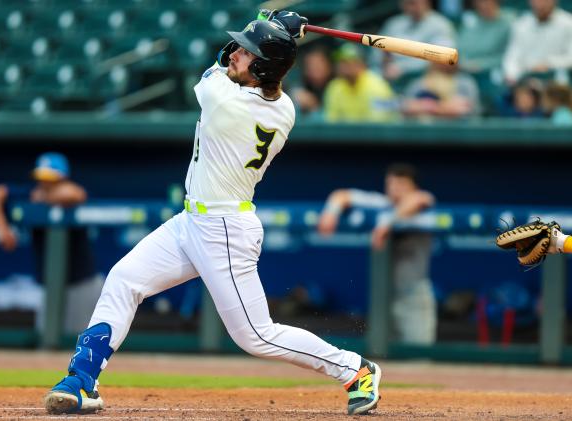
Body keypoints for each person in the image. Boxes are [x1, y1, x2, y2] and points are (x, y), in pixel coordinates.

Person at [44, 10, 381, 417]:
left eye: (248, 51)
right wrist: (273, 37)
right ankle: (82, 379)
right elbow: (247, 69)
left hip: (224, 228)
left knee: (256, 336)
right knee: (125, 279)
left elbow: (215, 67)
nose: (237, 53)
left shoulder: (224, 100)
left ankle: (355, 369)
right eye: (241, 48)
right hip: (192, 221)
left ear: (263, 66)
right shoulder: (285, 107)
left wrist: (268, 25)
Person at [0, 152, 103, 334]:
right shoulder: (31, 194)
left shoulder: (66, 192)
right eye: (42, 178)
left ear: (62, 178)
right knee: (46, 338)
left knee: (82, 343)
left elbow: (75, 194)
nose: (45, 184)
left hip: (81, 284)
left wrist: (44, 198)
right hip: (51, 287)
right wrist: (2, 228)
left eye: (51, 179)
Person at [318, 163, 437, 345]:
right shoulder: (381, 203)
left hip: (413, 295)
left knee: (419, 359)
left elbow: (418, 200)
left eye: (401, 184)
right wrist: (330, 213)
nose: (395, 189)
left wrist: (386, 224)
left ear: (413, 186)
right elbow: (341, 195)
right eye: (391, 184)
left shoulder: (421, 202)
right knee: (382, 354)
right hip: (383, 295)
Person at [370, 0, 456, 87]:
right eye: (406, 3)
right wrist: (384, 67)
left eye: (413, 3)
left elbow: (440, 58)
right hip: (389, 79)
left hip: (425, 81)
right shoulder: (394, 24)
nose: (410, 7)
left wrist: (402, 67)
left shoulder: (441, 25)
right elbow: (376, 54)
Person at [502, 0, 572, 86]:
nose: (540, 4)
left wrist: (549, 64)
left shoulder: (568, 23)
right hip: (527, 79)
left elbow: (570, 58)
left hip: (557, 80)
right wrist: (511, 74)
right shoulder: (521, 24)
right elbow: (512, 57)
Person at [323, 44, 398, 123]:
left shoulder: (376, 86)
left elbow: (377, 125)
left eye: (347, 61)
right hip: (346, 134)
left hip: (381, 134)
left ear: (361, 63)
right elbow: (331, 122)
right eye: (341, 61)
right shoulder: (335, 86)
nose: (342, 65)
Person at [401, 62, 481, 119]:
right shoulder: (418, 83)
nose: (443, 61)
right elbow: (406, 107)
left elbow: (463, 110)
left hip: (458, 133)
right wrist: (445, 108)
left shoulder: (465, 83)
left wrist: (431, 107)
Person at [457, 0, 513, 74]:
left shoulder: (508, 22)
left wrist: (481, 65)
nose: (482, 5)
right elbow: (460, 47)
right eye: (479, 2)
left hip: (491, 73)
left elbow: (509, 56)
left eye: (486, 1)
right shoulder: (471, 20)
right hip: (462, 71)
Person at [290, 47, 333, 119]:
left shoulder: (337, 86)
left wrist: (315, 106)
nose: (313, 68)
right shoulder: (300, 88)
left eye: (318, 64)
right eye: (310, 64)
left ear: (328, 66)